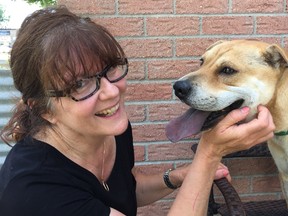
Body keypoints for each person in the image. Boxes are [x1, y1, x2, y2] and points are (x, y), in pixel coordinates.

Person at [0, 6, 275, 216]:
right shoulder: (36, 192)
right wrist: (209, 153)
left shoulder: (108, 128)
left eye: (110, 69)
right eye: (79, 84)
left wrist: (177, 177)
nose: (111, 92)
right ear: (44, 110)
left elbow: (125, 189)